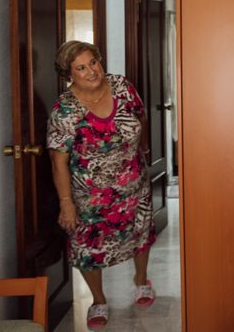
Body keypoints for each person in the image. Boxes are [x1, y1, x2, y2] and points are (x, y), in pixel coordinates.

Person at [47, 41, 156, 330]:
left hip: (134, 184)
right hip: (90, 196)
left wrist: (143, 147)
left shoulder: (122, 86)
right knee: (87, 246)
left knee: (140, 231)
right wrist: (66, 203)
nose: (91, 71)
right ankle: (98, 300)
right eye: (81, 68)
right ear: (69, 73)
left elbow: (140, 116)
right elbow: (58, 161)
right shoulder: (64, 109)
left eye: (93, 62)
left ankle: (141, 280)